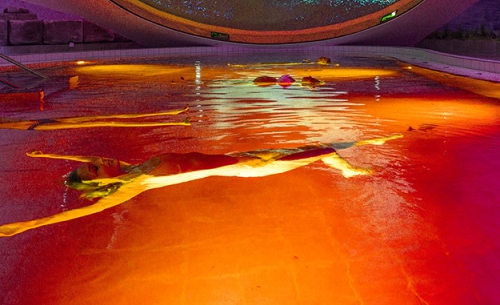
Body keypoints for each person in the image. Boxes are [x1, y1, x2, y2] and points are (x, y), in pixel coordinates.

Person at [0, 133, 403, 237]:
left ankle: (353, 159)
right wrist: (28, 225)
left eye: (94, 162)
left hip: (241, 154)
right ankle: (351, 165)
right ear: (103, 183)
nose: (100, 160)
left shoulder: (135, 167)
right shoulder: (134, 184)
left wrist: (49, 158)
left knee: (307, 148)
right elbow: (86, 211)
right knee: (320, 150)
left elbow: (84, 164)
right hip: (249, 167)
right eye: (96, 168)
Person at [0, 106, 190, 130]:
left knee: (110, 116)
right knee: (108, 120)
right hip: (35, 127)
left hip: (35, 124)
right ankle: (174, 120)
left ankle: (171, 114)